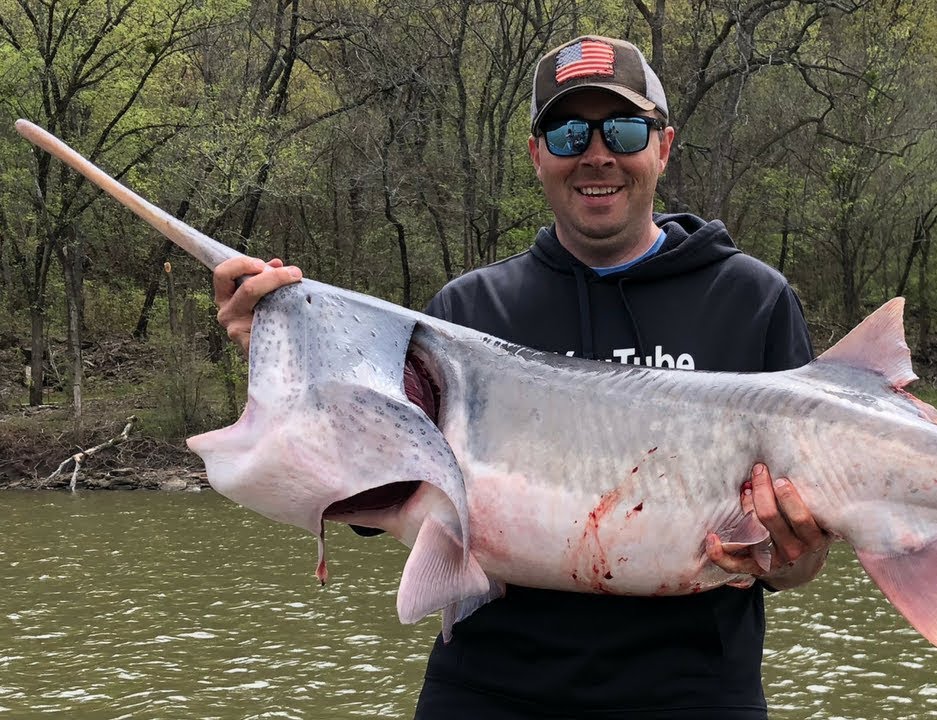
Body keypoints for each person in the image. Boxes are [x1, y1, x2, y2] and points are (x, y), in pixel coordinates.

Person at [213, 35, 831, 719]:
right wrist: (280, 348)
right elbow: (373, 487)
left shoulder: (753, 301)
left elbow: (797, 566)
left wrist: (793, 553)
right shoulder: (465, 315)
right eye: (568, 133)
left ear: (663, 143)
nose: (597, 154)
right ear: (538, 155)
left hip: (696, 692)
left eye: (623, 129)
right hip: (488, 689)